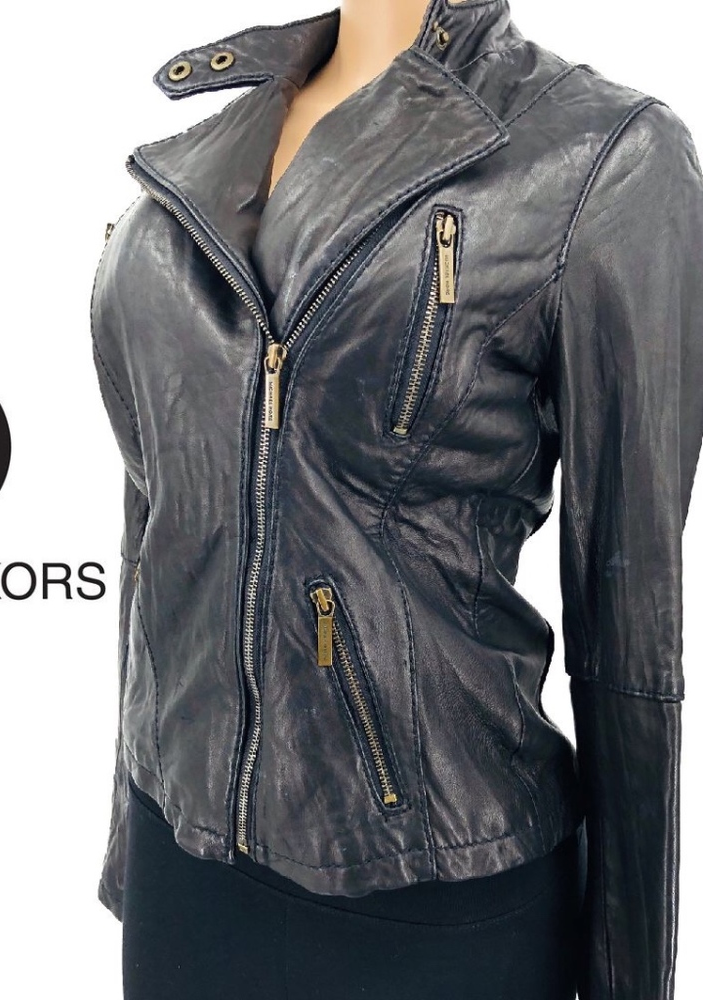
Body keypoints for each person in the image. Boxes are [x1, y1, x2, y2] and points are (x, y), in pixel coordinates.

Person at [89, 1, 703, 998]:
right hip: (184, 871)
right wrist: (131, 831)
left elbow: (630, 624)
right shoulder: (213, 144)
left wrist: (628, 974)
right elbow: (158, 529)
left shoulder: (600, 155)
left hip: (435, 896)